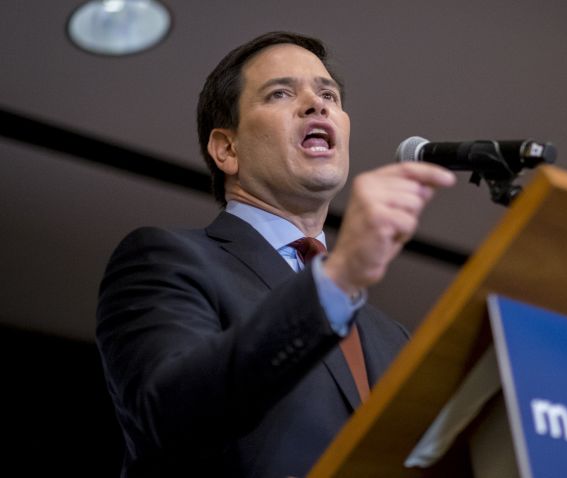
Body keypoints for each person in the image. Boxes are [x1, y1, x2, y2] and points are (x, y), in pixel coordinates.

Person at [96, 31, 455, 477]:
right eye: (281, 93)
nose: (316, 104)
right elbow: (168, 414)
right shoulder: (166, 259)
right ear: (227, 149)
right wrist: (337, 278)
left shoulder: (393, 338)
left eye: (329, 94)